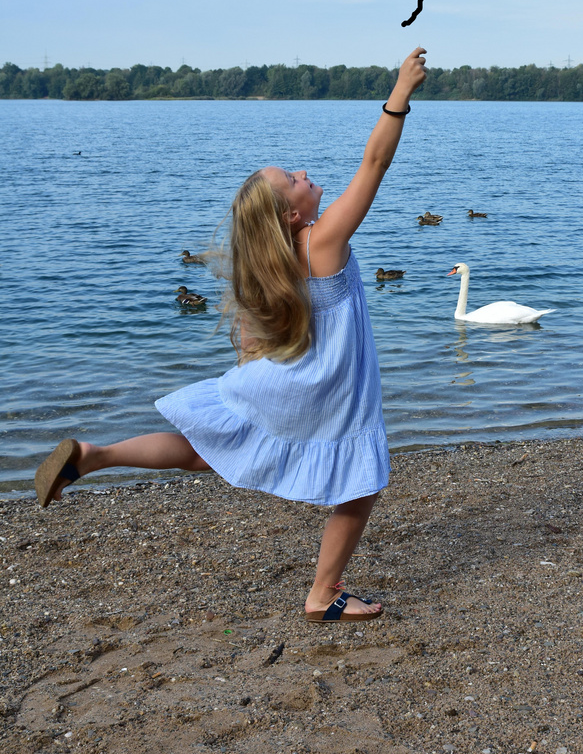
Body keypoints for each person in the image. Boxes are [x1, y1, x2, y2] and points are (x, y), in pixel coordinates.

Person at [34, 46, 428, 623]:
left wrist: (250, 367)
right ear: (292, 214)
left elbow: (250, 333)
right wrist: (400, 94)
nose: (303, 174)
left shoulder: (273, 260)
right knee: (360, 482)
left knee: (202, 450)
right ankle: (323, 594)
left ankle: (95, 455)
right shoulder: (321, 243)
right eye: (292, 179)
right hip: (329, 390)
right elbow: (373, 164)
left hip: (291, 379)